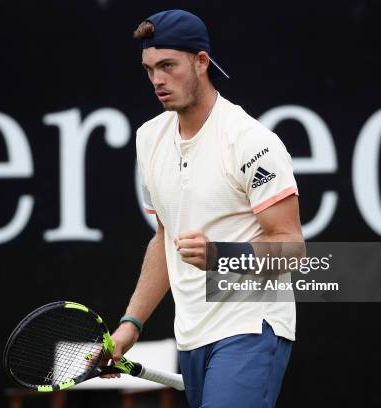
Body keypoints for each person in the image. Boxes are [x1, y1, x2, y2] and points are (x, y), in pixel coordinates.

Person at [107, 9, 304, 407]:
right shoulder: (149, 139)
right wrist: (132, 323)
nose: (158, 81)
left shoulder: (251, 141)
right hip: (192, 335)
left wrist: (219, 256)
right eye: (149, 69)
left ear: (201, 62)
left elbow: (292, 247)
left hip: (251, 327)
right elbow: (164, 238)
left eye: (167, 66)